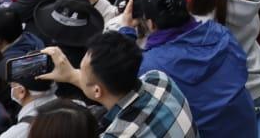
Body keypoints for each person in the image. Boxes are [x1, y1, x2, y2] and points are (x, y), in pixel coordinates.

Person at [125, 0, 254, 137]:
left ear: (151, 24)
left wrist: (126, 32)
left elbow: (121, 86)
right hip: (246, 128)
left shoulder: (151, 67)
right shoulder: (221, 33)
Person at [35, 33, 196, 138]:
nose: (77, 72)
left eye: (81, 70)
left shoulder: (116, 134)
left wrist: (71, 76)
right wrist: (71, 75)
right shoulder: (160, 80)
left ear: (97, 91)